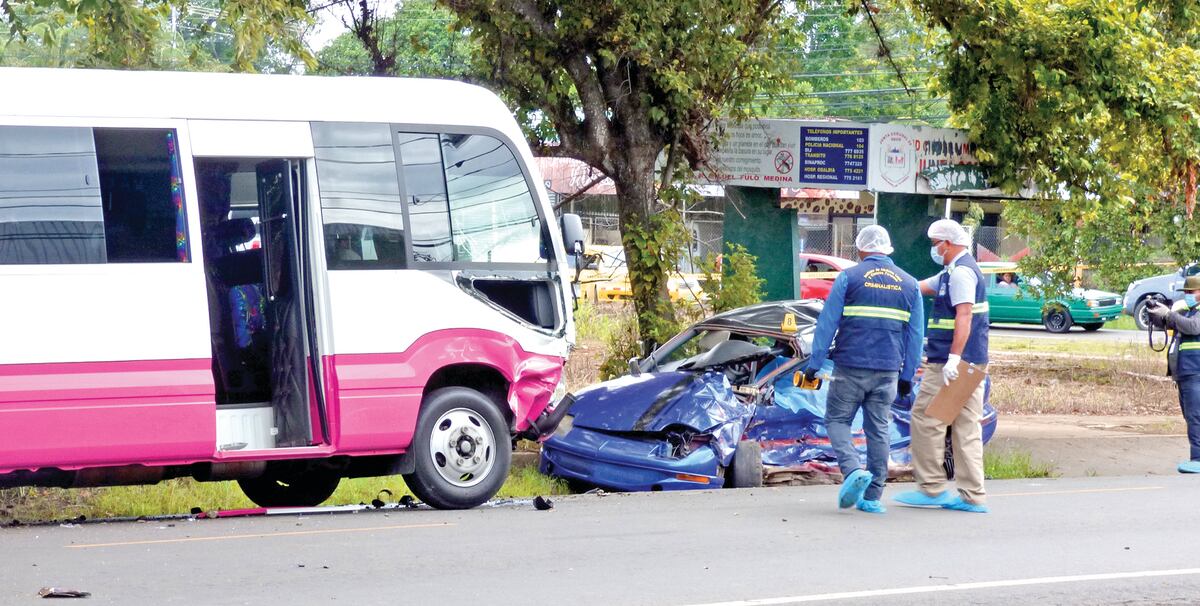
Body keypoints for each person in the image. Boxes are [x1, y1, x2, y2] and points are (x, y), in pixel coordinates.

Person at [802, 225, 923, 514]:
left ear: (860, 249)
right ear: (888, 249)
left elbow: (827, 323)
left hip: (850, 366)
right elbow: (915, 334)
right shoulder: (910, 284)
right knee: (879, 430)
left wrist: (814, 364)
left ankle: (853, 469)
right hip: (888, 370)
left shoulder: (849, 277)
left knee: (837, 420)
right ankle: (872, 498)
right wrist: (908, 376)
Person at [894, 218, 990, 513]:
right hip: (972, 363)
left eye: (936, 244)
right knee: (965, 426)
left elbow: (964, 316)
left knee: (925, 418)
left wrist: (953, 358)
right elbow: (919, 287)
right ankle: (973, 495)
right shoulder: (953, 272)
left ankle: (932, 488)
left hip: (951, 364)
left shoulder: (961, 274)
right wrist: (887, 280)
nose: (934, 250)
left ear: (948, 243)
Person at [1146, 278, 1200, 473]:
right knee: (1191, 416)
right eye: (1186, 292)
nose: (1188, 295)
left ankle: (1198, 459)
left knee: (1195, 416)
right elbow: (1169, 323)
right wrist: (1155, 313)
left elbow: (1193, 327)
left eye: (1191, 291)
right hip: (1185, 372)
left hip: (1196, 371)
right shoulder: (1187, 311)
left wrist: (1168, 313)